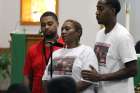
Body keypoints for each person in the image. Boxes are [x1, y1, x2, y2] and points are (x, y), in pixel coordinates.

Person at [81, 0, 138, 93]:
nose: (97, 12)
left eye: (101, 9)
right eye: (97, 9)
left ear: (113, 11)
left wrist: (100, 77)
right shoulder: (99, 34)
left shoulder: (122, 36)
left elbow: (132, 70)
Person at [42, 19, 99, 93]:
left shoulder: (86, 51)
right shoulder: (55, 54)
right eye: (62, 29)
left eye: (67, 29)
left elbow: (87, 81)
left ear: (78, 32)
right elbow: (45, 79)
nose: (63, 32)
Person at [23, 11, 63, 93]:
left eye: (50, 23)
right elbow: (27, 76)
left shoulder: (66, 47)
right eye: (43, 25)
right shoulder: (33, 49)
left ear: (57, 24)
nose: (46, 27)